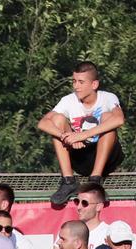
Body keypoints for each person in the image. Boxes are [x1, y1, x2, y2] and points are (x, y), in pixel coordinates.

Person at [40, 61, 125, 208]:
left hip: (107, 159)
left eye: (81, 82)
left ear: (94, 85)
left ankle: (95, 180)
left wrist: (82, 135)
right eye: (74, 81)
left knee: (107, 117)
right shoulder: (68, 100)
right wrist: (66, 136)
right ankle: (68, 181)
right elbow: (43, 123)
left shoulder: (108, 97)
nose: (76, 86)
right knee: (57, 119)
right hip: (80, 156)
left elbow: (119, 119)